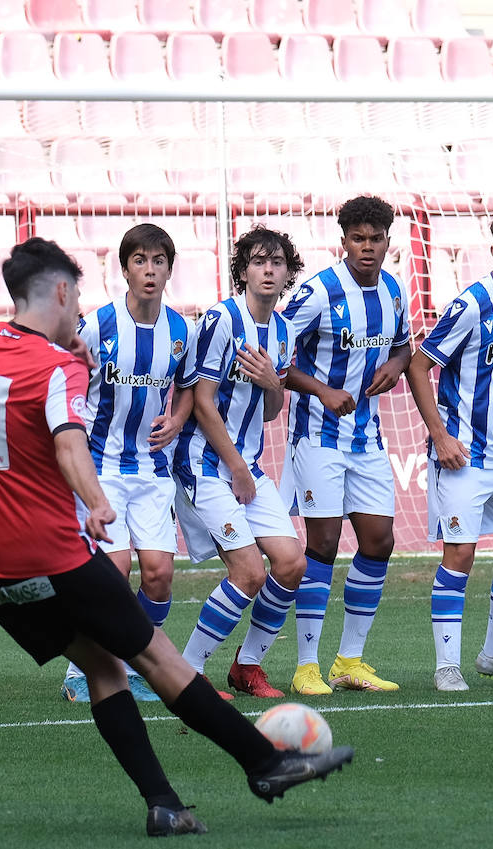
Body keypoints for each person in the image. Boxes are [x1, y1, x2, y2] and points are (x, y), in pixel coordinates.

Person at [0, 237, 353, 836]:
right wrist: (96, 501)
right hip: (45, 551)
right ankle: (267, 763)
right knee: (157, 657)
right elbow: (67, 440)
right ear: (62, 292)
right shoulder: (57, 367)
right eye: (76, 295)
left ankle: (164, 804)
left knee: (103, 669)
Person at [403, 212, 493, 693]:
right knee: (460, 554)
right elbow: (419, 364)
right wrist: (441, 435)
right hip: (460, 454)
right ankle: (447, 665)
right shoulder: (470, 305)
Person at [279, 195, 412, 697]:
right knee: (324, 545)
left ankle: (349, 661)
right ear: (344, 242)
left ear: (387, 243)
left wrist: (397, 366)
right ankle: (306, 665)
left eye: (376, 239)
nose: (367, 248)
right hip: (317, 438)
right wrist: (321, 390)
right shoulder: (318, 293)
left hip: (368, 438)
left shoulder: (394, 292)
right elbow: (275, 353)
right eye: (358, 239)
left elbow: (404, 344)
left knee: (379, 541)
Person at [61, 224, 194, 703]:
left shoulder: (182, 331)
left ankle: (134, 661)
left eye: (159, 261)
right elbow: (67, 383)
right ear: (124, 270)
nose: (150, 270)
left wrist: (178, 419)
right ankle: (83, 668)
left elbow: (192, 389)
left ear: (169, 270)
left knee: (158, 574)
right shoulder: (98, 325)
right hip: (103, 468)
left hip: (154, 470)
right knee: (113, 571)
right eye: (140, 260)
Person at [172, 226, 306, 699]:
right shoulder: (220, 320)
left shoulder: (285, 330)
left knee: (291, 564)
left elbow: (271, 410)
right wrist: (237, 469)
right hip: (208, 465)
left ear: (288, 271)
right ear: (243, 270)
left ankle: (247, 667)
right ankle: (187, 674)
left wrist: (274, 381)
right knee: (248, 572)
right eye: (258, 261)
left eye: (277, 262)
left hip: (245, 465)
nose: (268, 270)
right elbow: (203, 402)